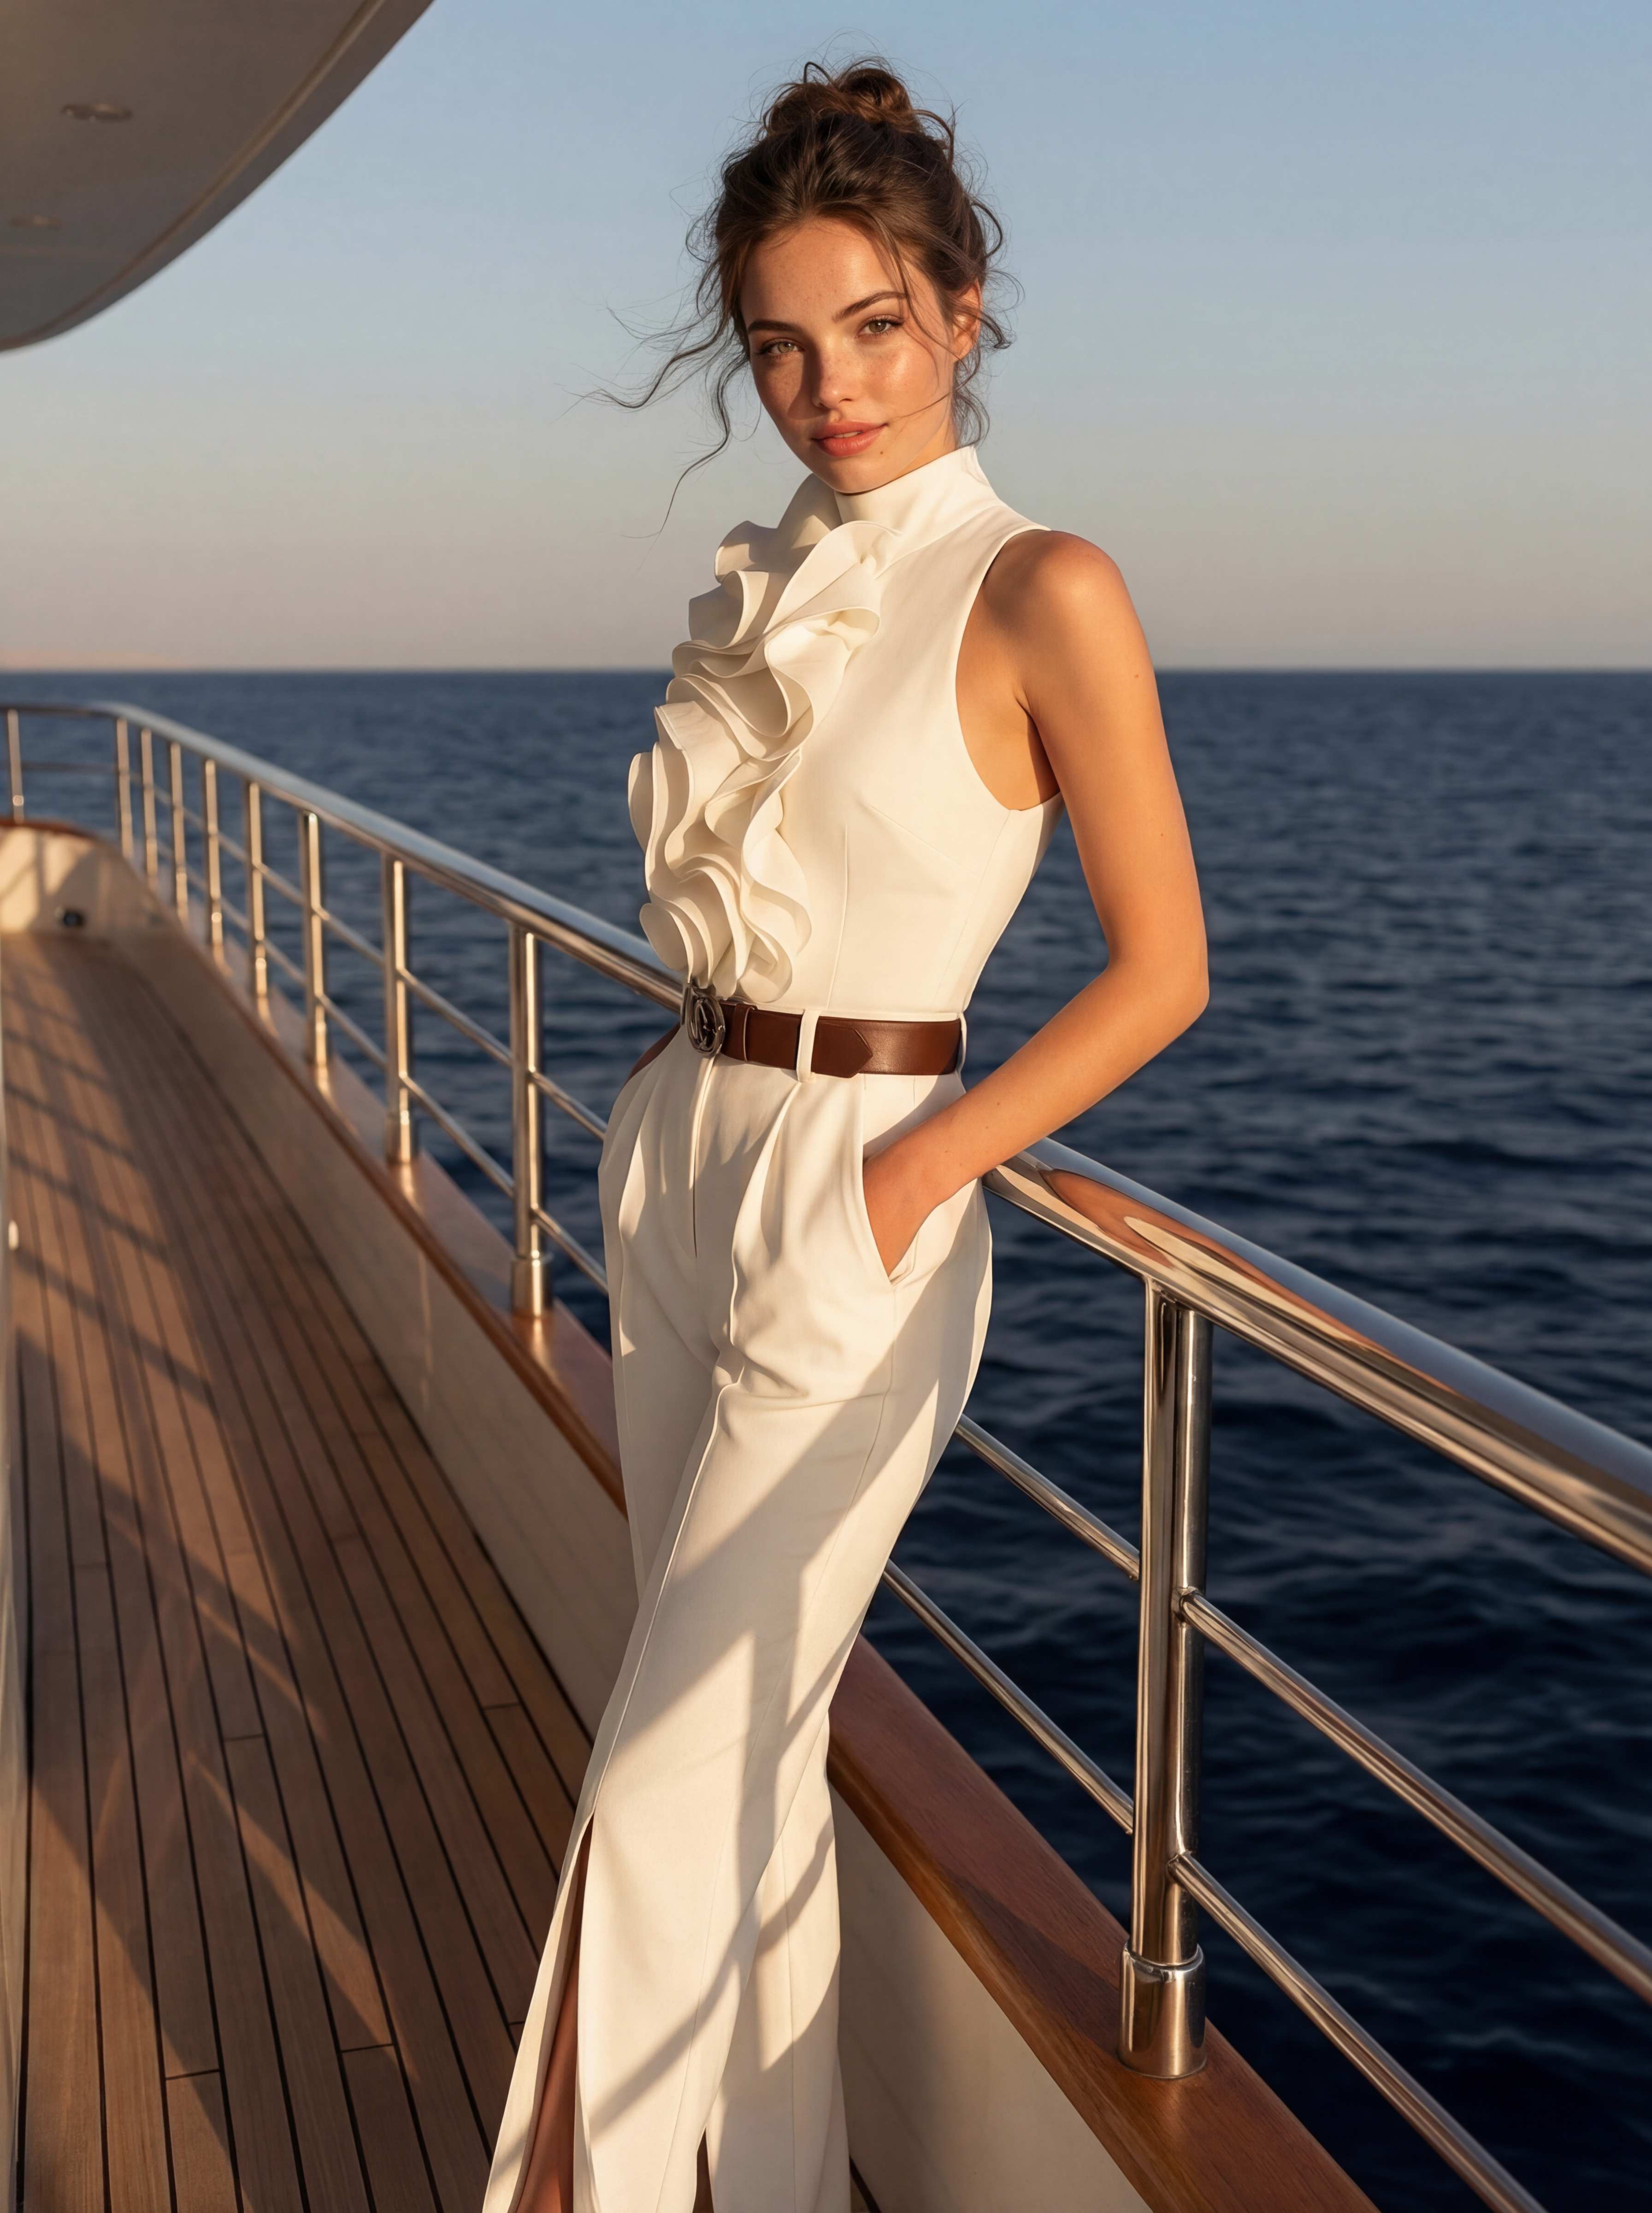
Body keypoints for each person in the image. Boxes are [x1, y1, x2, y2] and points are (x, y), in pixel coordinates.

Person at [486, 57, 1208, 2213]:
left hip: (860, 1193)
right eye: (783, 346)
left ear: (960, 309)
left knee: (656, 1773)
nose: (828, 388)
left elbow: (1160, 968)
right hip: (684, 1153)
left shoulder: (1040, 586)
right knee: (741, 1770)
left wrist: (915, 1167)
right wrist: (679, 1105)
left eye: (871, 328)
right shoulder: (775, 568)